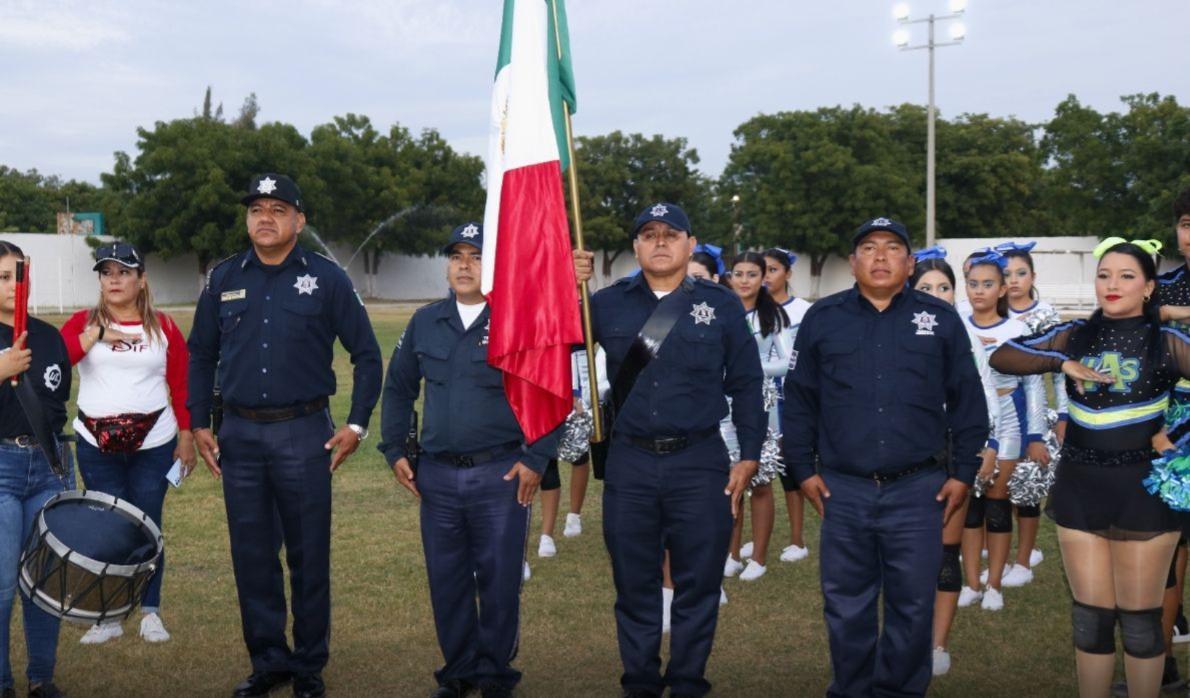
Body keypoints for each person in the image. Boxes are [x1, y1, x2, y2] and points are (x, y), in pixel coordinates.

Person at [187, 173, 382, 698]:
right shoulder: (224, 277)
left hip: (303, 433)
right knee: (252, 556)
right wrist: (200, 421)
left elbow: (367, 354)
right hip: (240, 437)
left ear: (300, 220)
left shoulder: (326, 278)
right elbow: (201, 353)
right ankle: (268, 659)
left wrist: (357, 424)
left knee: (307, 554)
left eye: (277, 208)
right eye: (256, 209)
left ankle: (309, 664)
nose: (265, 218)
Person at [783, 217, 988, 697]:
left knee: (913, 604)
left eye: (893, 248)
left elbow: (969, 402)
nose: (880, 257)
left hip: (918, 489)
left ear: (910, 263)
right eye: (869, 248)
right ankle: (852, 689)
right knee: (846, 603)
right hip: (844, 487)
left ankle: (899, 690)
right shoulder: (823, 318)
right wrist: (803, 470)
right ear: (852, 262)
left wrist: (962, 474)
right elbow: (799, 400)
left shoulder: (939, 319)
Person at [573, 202, 764, 698]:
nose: (660, 242)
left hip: (699, 461)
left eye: (671, 233)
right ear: (635, 246)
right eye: (649, 234)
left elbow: (746, 383)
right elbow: (554, 340)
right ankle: (638, 682)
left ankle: (687, 682)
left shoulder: (720, 305)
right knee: (634, 583)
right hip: (630, 461)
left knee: (698, 583)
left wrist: (748, 455)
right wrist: (566, 285)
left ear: (690, 244)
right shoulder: (606, 303)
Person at [990, 238, 1190, 698]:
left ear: (1148, 288)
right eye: (1103, 275)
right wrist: (1064, 363)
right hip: (1079, 484)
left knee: (1140, 622)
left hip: (1143, 489)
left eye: (1126, 276)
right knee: (1090, 619)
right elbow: (1002, 355)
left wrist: (1177, 438)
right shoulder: (1074, 334)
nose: (1112, 285)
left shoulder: (1166, 340)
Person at [379, 223, 557, 698]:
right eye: (456, 255)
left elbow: (550, 393)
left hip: (500, 474)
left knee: (499, 580)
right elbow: (397, 388)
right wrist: (395, 448)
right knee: (447, 579)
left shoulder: (518, 320)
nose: (463, 264)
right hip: (437, 474)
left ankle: (496, 673)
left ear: (495, 265)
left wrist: (535, 458)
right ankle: (457, 671)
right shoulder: (425, 320)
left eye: (476, 256)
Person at [59, 242, 195, 645]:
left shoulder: (164, 326)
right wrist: (96, 334)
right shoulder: (82, 322)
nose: (114, 279)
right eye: (107, 272)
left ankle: (150, 611)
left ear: (141, 280)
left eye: (123, 272)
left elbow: (182, 384)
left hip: (154, 444)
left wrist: (186, 437)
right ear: (100, 281)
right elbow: (59, 359)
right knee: (107, 529)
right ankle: (108, 614)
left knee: (147, 525)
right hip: (95, 445)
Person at [909, 247, 1001, 676]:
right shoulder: (890, 335)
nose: (936, 294)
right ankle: (904, 638)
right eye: (925, 287)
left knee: (946, 553)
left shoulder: (965, 337)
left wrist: (987, 446)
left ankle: (938, 644)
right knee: (906, 558)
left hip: (952, 454)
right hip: (903, 459)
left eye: (944, 286)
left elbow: (985, 397)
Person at [0, 240, 73, 698]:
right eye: (2, 277)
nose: (11, 286)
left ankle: (41, 678)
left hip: (46, 468)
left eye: (17, 276)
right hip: (1, 469)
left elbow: (56, 405)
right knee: (3, 583)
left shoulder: (49, 335)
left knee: (42, 583)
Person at [958, 249, 1045, 610]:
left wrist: (1035, 435)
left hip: (1008, 420)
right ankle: (972, 582)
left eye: (988, 284)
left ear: (1001, 289)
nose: (979, 291)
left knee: (996, 502)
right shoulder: (957, 325)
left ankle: (995, 583)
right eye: (973, 283)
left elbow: (1034, 385)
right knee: (968, 506)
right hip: (967, 421)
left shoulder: (1017, 329)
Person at [999, 240, 1067, 579]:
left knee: (1027, 485)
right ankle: (1008, 553)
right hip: (997, 413)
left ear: (1033, 275)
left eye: (1021, 272)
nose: (1014, 280)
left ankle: (1024, 560)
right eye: (1007, 273)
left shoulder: (1046, 315)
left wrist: (1064, 416)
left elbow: (1060, 372)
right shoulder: (992, 312)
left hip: (1033, 411)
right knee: (999, 485)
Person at [721, 251, 791, 582]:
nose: (744, 280)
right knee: (728, 480)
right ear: (729, 276)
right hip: (722, 407)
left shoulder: (772, 315)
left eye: (752, 274)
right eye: (739, 273)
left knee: (761, 483)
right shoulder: (721, 311)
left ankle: (759, 558)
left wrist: (747, 369)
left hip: (761, 404)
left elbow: (787, 361)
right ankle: (731, 554)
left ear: (763, 278)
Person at [761, 247, 813, 563]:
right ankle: (759, 539)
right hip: (757, 399)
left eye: (773, 269)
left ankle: (797, 539)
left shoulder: (803, 312)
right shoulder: (750, 310)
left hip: (790, 399)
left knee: (793, 469)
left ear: (788, 274)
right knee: (759, 470)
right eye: (762, 270)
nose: (767, 277)